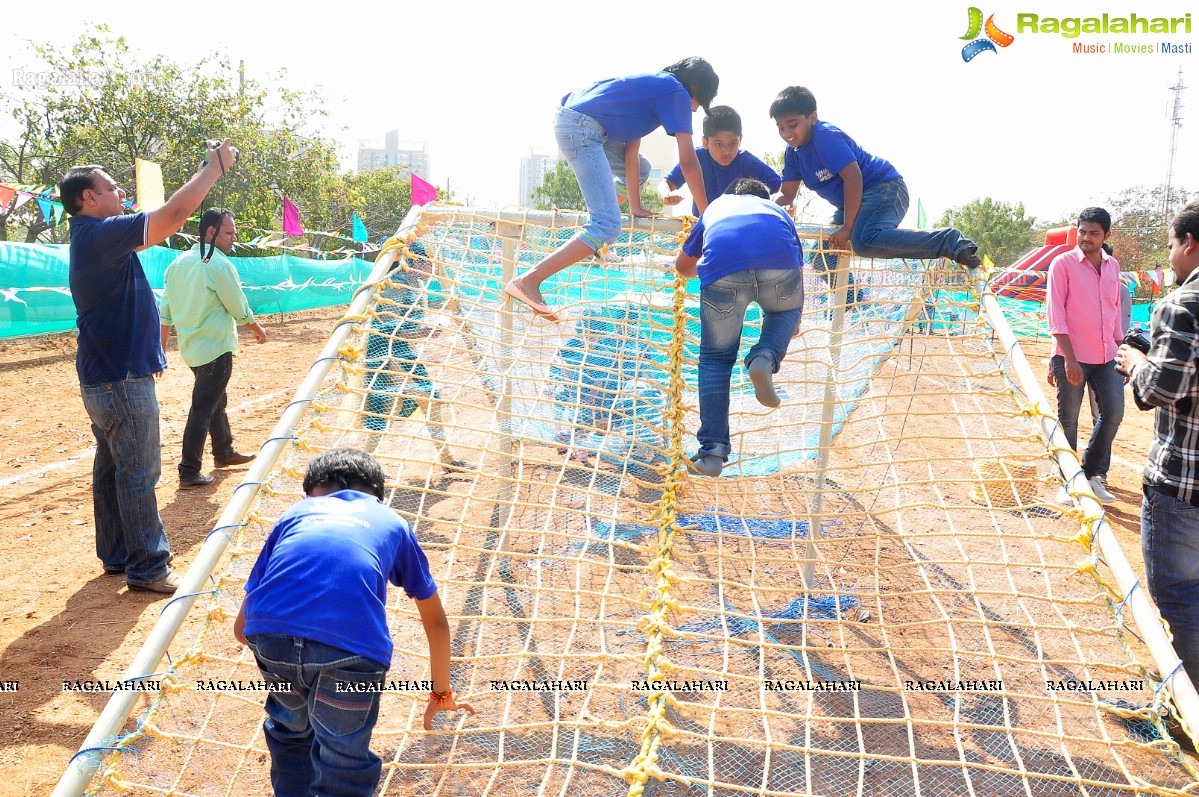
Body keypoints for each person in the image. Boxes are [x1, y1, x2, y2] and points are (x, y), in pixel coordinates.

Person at [234, 448, 474, 796]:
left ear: (311, 490)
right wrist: (440, 692)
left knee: (291, 734)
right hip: (353, 652)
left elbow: (241, 629)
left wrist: (291, 657)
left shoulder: (295, 514)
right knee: (342, 756)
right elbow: (436, 623)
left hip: (272, 638)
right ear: (378, 494)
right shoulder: (391, 521)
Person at [60, 139, 238, 593]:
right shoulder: (99, 234)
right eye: (113, 188)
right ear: (88, 198)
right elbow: (176, 215)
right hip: (119, 380)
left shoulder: (92, 238)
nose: (121, 194)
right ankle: (149, 568)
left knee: (112, 467)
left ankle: (118, 556)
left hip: (107, 376)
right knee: (138, 471)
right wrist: (214, 169)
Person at [505, 57, 719, 321]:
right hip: (582, 128)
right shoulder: (675, 91)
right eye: (700, 101)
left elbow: (631, 157)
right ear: (695, 85)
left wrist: (636, 206)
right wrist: (708, 215)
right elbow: (688, 161)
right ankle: (529, 281)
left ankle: (598, 238)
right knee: (607, 225)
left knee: (642, 168)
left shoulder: (650, 90)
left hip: (578, 122)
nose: (695, 111)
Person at [769, 86, 982, 306]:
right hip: (853, 203)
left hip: (885, 189)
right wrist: (768, 210)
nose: (786, 133)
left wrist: (848, 228)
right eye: (780, 127)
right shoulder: (793, 155)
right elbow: (786, 194)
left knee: (864, 240)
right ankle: (855, 301)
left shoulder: (825, 137)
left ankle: (949, 241)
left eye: (792, 125)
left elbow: (853, 177)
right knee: (822, 258)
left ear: (812, 117)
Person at [1115, 200, 1199, 686]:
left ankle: (1191, 704)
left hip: (1183, 485)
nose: (1169, 256)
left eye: (1170, 245)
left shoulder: (1183, 303)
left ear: (1188, 243)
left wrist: (1135, 362)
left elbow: (1159, 390)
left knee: (1179, 594)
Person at [675, 178, 804, 477]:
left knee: (715, 361)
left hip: (724, 269)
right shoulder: (776, 211)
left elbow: (682, 267)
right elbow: (798, 265)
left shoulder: (718, 206)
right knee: (785, 310)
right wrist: (795, 315)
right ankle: (764, 357)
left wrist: (717, 265)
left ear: (731, 193)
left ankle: (712, 454)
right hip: (779, 267)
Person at [159, 208, 267, 488]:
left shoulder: (177, 264)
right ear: (211, 232)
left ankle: (224, 452)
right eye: (229, 233)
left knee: (216, 400)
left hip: (192, 351)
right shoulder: (218, 264)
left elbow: (166, 312)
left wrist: (160, 348)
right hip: (216, 349)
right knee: (203, 408)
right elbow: (237, 305)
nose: (234, 239)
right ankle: (189, 470)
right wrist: (256, 328)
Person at [1046, 207, 1125, 505]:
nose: (1086, 238)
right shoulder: (1062, 264)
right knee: (1069, 419)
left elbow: (1114, 312)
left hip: (1107, 356)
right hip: (1072, 356)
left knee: (1114, 413)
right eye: (1082, 231)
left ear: (1106, 235)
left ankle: (1093, 475)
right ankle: (1069, 482)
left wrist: (1122, 351)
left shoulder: (1113, 266)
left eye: (1093, 233)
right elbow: (1056, 316)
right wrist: (1068, 359)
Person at [362, 240, 455, 465]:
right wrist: (425, 332)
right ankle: (363, 464)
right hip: (387, 355)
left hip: (402, 353)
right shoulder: (397, 285)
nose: (433, 268)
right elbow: (389, 330)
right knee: (383, 410)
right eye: (429, 263)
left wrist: (422, 332)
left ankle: (447, 459)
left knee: (428, 401)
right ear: (415, 262)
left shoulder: (412, 285)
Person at [659, 105, 781, 216]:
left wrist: (780, 203)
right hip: (704, 228)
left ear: (740, 139)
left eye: (733, 143)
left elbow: (780, 189)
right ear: (705, 142)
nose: (726, 151)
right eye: (718, 144)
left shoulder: (747, 161)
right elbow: (666, 184)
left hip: (739, 228)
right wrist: (667, 195)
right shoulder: (696, 158)